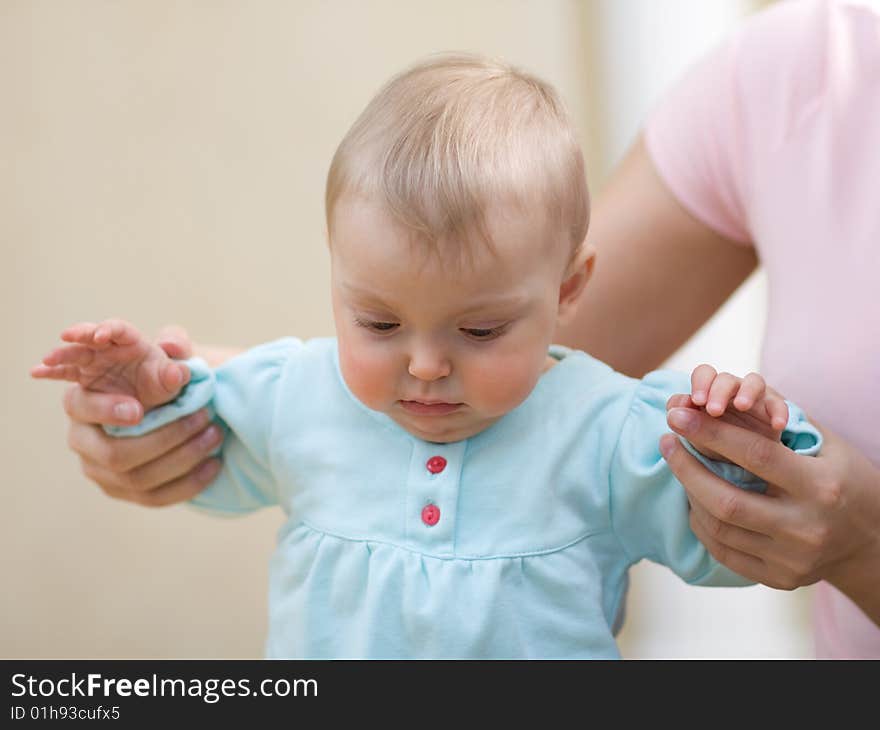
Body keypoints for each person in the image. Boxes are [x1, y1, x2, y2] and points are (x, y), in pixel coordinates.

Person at [33, 54, 821, 659]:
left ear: (568, 287)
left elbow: (740, 541)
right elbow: (190, 450)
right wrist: (144, 396)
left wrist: (745, 447)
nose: (425, 366)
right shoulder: (297, 397)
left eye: (478, 332)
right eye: (377, 322)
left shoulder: (605, 431)